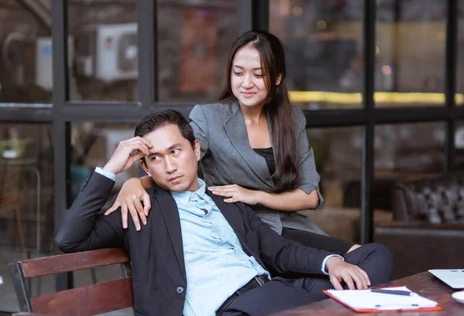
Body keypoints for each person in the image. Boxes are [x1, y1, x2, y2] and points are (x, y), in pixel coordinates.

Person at [55, 110, 403, 316]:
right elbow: (69, 239)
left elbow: (277, 250)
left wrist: (332, 263)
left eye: (175, 151)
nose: (169, 165)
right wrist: (113, 171)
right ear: (144, 166)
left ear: (194, 149)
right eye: (156, 158)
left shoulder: (226, 200)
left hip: (271, 292)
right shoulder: (141, 209)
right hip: (229, 312)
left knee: (374, 256)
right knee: (329, 311)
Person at [106, 29, 360, 255]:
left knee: (362, 257)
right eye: (238, 73)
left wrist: (252, 195)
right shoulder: (209, 117)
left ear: (277, 77)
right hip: (240, 229)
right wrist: (134, 183)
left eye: (258, 75)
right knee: (351, 261)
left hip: (291, 225)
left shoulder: (291, 119)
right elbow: (179, 162)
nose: (246, 83)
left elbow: (309, 196)